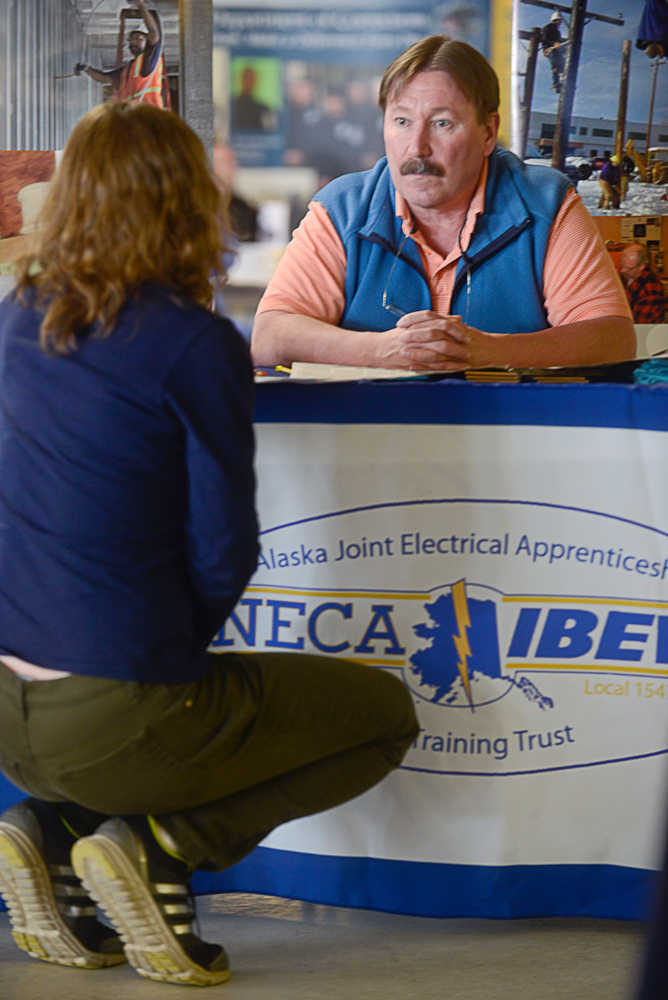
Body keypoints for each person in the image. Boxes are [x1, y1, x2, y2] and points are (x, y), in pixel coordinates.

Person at [0, 102, 418, 987]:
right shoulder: (195, 345)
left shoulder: (16, 319)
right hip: (116, 707)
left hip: (9, 712)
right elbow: (226, 549)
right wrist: (168, 665)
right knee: (382, 717)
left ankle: (51, 825)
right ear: (187, 201)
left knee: (137, 714)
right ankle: (161, 846)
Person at [251, 36, 635, 373]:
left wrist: (486, 351)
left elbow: (611, 338)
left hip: (516, 438)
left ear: (488, 133)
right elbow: (270, 337)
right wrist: (387, 351)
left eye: (442, 123)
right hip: (369, 439)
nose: (417, 148)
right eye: (401, 121)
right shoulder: (342, 209)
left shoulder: (545, 203)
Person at [75, 0, 170, 108]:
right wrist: (86, 69)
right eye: (132, 39)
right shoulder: (128, 70)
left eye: (139, 39)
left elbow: (154, 34)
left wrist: (140, 4)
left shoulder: (149, 61)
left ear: (147, 41)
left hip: (148, 118)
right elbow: (104, 78)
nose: (133, 42)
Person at [619, 243, 667, 323]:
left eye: (628, 268)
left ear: (641, 267)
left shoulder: (650, 290)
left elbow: (641, 325)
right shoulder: (627, 276)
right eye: (622, 265)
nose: (622, 271)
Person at [231, 65, 277, 132]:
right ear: (241, 80)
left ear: (256, 81)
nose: (249, 82)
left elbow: (269, 131)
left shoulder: (263, 108)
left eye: (252, 79)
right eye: (247, 78)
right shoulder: (232, 105)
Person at [541, 11, 567, 94]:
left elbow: (559, 41)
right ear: (556, 20)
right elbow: (545, 39)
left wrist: (567, 40)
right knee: (555, 65)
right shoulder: (547, 28)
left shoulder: (557, 31)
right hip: (549, 49)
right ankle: (556, 84)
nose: (560, 23)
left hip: (556, 49)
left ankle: (562, 82)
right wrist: (553, 44)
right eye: (560, 21)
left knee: (563, 64)